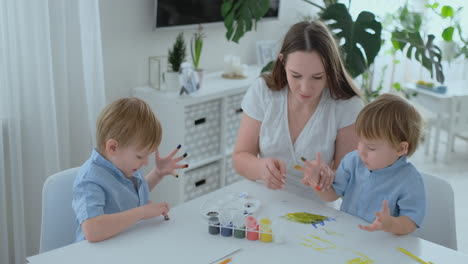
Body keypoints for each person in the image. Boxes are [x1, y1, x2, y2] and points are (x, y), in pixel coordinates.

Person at [233, 20, 363, 201]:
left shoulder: (347, 105)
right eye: (296, 76)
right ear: (282, 62)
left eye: (317, 77)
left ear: (330, 70)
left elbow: (342, 187)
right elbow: (240, 157)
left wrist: (322, 180)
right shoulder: (263, 91)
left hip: (317, 214)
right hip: (262, 203)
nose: (305, 88)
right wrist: (261, 168)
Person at [302, 93, 426, 235]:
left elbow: (410, 222)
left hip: (383, 245)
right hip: (348, 235)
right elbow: (331, 196)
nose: (361, 150)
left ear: (400, 148)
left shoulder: (409, 180)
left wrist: (390, 224)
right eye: (360, 141)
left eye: (371, 147)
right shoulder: (353, 161)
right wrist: (316, 182)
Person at [72, 97, 188, 242]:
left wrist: (158, 173)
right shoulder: (90, 179)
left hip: (126, 242)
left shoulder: (123, 164)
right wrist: (142, 212)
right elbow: (92, 230)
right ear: (113, 148)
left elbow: (130, 194)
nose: (146, 162)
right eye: (140, 156)